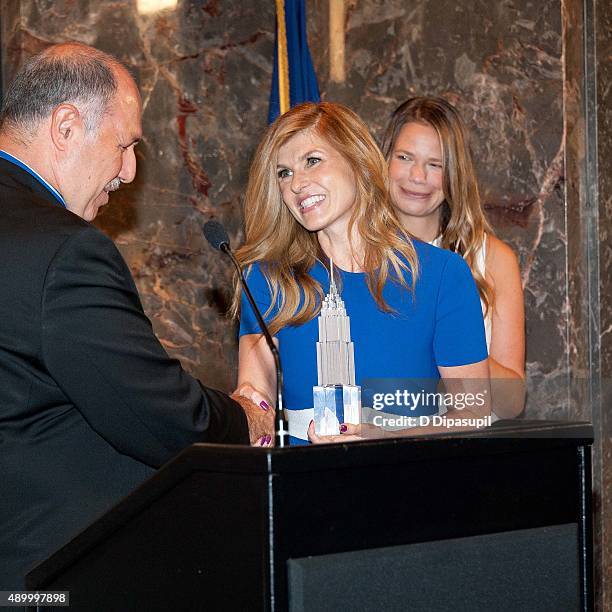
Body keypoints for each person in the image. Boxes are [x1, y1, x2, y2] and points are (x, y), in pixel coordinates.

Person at [0, 43, 273, 591]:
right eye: (124, 145)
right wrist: (248, 417)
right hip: (52, 576)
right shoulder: (63, 251)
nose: (128, 172)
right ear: (67, 126)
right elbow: (158, 416)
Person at [232, 102, 490, 446]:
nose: (296, 184)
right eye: (284, 173)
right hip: (302, 488)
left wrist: (386, 436)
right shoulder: (267, 280)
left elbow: (474, 413)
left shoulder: (442, 275)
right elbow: (255, 399)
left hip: (410, 484)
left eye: (312, 161)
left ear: (357, 160)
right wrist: (240, 416)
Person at [381, 97, 525, 418]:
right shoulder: (351, 255)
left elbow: (512, 403)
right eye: (405, 157)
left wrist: (454, 338)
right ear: (384, 160)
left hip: (468, 455)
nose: (418, 176)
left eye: (436, 164)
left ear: (455, 174)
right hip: (380, 447)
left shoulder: (494, 259)